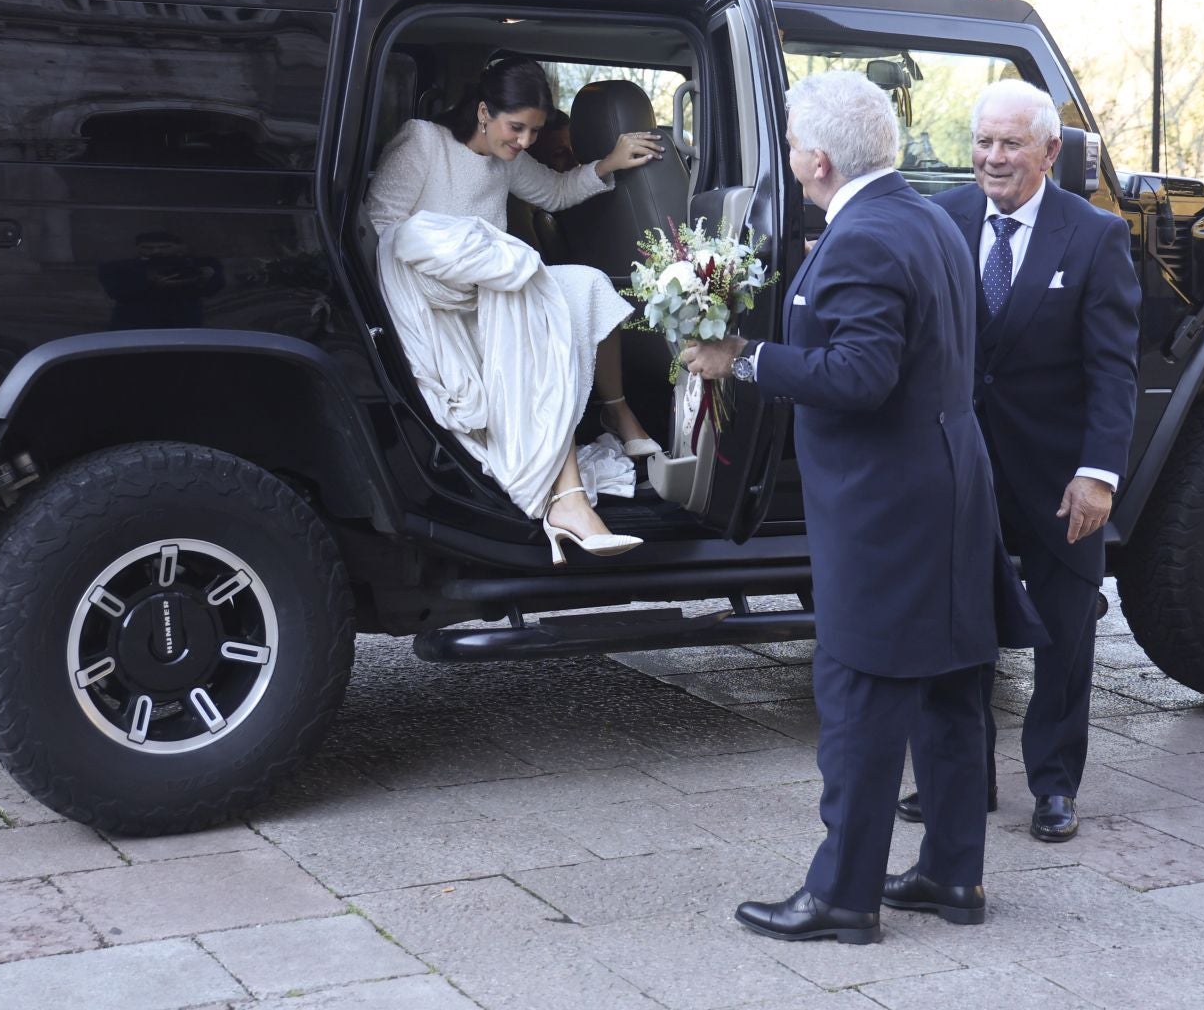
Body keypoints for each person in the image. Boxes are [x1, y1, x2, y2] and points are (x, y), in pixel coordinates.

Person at [684, 71, 1044, 944]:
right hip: (951, 489)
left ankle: (843, 895)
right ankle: (952, 876)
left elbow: (859, 375)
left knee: (859, 699)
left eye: (792, 144)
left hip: (886, 513)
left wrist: (746, 358)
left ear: (815, 158)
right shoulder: (924, 215)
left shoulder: (861, 240)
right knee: (953, 693)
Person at [898, 79, 1140, 844]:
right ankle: (959, 778)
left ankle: (1055, 786)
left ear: (1049, 151)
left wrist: (1099, 473)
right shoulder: (939, 219)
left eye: (1010, 144)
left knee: (1066, 631)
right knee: (955, 624)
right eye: (983, 142)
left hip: (1060, 476)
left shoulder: (1095, 236)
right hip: (957, 469)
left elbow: (1113, 370)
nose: (993, 158)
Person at [367, 57, 663, 560]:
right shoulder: (424, 142)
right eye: (516, 127)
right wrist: (460, 263)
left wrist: (609, 162)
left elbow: (555, 191)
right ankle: (567, 500)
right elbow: (383, 225)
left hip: (500, 294)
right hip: (441, 306)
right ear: (484, 112)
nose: (525, 141)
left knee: (587, 285)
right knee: (537, 307)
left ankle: (617, 412)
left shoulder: (507, 159)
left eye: (534, 130)